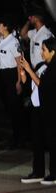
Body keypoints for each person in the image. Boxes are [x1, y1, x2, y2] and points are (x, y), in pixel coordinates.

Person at [18, 38, 55, 184]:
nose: (41, 52)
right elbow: (31, 85)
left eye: (44, 50)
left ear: (53, 52)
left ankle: (54, 174)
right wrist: (23, 74)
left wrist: (28, 69)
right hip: (36, 107)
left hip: (50, 109)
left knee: (52, 142)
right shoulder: (41, 65)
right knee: (37, 141)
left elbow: (43, 85)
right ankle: (38, 172)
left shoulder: (54, 67)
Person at [0, 18, 25, 149]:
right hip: (3, 75)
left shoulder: (13, 42)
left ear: (6, 27)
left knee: (15, 108)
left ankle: (19, 138)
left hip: (12, 75)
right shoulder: (1, 40)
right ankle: (15, 135)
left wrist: (19, 81)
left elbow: (19, 63)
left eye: (0, 24)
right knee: (9, 107)